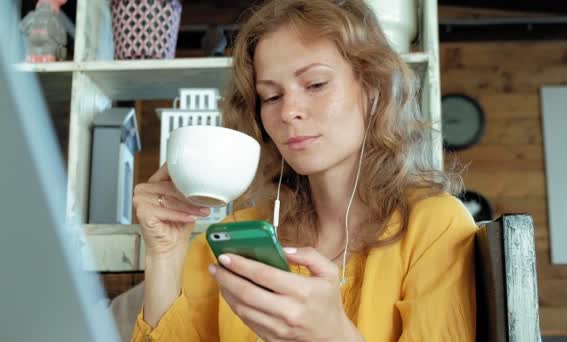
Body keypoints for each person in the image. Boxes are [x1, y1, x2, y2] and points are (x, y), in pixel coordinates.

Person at [131, 0, 477, 341]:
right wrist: (165, 253)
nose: (288, 112)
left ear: (373, 89)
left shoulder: (434, 226)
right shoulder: (232, 239)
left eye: (315, 84)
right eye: (270, 97)